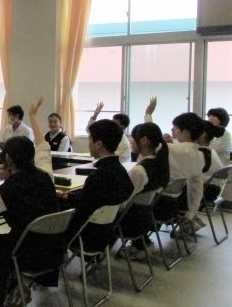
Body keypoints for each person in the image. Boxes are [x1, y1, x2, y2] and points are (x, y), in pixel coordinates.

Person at [0, 97, 59, 307]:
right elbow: (44, 148)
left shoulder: (5, 191)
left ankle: (0, 301)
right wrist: (33, 117)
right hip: (55, 247)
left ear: (7, 159)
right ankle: (14, 285)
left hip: (27, 251)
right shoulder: (46, 176)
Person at [62, 119, 134, 251]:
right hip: (106, 235)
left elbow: (83, 207)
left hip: (85, 237)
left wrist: (69, 197)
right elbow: (97, 198)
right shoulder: (121, 171)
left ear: (98, 144)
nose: (88, 144)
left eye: (90, 140)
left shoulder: (98, 176)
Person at [145, 98, 210, 233]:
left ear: (186, 132)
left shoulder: (171, 150)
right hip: (174, 206)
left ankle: (140, 240)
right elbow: (197, 188)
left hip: (155, 205)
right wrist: (191, 213)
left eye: (175, 128)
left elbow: (150, 137)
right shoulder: (200, 156)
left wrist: (148, 114)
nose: (172, 130)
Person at [116, 122, 170, 259]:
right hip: (144, 218)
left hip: (129, 222)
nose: (131, 142)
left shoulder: (139, 171)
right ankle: (143, 245)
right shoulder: (158, 164)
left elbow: (122, 202)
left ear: (144, 140)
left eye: (133, 139)